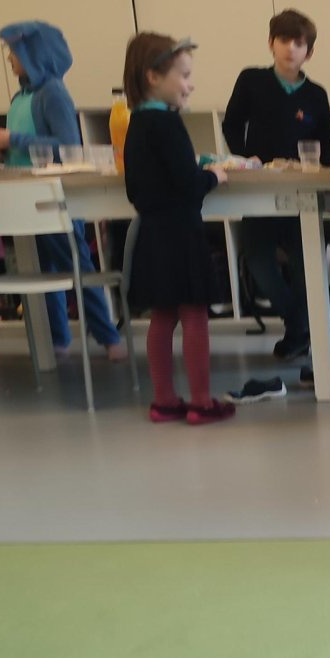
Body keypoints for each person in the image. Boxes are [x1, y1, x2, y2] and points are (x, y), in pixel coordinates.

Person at [0, 21, 126, 361]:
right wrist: (4, 148)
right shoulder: (21, 97)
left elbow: (67, 145)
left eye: (14, 52)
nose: (9, 59)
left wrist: (13, 139)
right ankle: (57, 340)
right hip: (25, 198)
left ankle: (108, 337)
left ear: (34, 54)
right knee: (41, 273)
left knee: (77, 266)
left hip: (53, 198)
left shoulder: (53, 93)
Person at [121, 33, 233, 424]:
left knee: (162, 316)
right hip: (182, 233)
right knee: (195, 315)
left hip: (152, 233)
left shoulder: (137, 122)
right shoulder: (168, 123)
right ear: (153, 76)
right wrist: (214, 176)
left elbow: (138, 186)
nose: (190, 84)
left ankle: (164, 400)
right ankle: (202, 402)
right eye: (183, 76)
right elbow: (188, 184)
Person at [221, 9, 330, 361]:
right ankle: (297, 323)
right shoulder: (251, 80)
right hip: (259, 188)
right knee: (257, 260)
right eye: (284, 40)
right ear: (271, 43)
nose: (290, 48)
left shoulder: (316, 94)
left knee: (305, 264)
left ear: (309, 53)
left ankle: (302, 332)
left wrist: (323, 173)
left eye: (299, 43)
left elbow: (327, 144)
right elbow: (231, 124)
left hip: (302, 191)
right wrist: (246, 159)